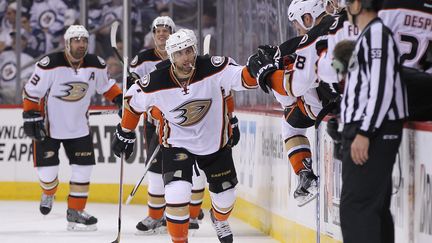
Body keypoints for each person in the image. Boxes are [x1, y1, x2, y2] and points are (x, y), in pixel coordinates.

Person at [112, 28, 256, 243]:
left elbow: (245, 80)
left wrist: (257, 69)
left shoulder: (215, 67)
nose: (185, 57)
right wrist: (125, 132)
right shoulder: (156, 81)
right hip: (177, 144)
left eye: (189, 51)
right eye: (179, 53)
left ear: (195, 50)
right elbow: (131, 104)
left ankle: (219, 219)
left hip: (215, 144)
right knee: (177, 193)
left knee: (225, 199)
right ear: (171, 57)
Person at [22, 25, 123, 231]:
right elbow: (32, 92)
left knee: (84, 170)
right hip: (48, 128)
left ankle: (75, 212)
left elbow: (106, 86)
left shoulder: (96, 64)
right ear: (67, 44)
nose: (81, 44)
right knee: (48, 176)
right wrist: (30, 114)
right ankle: (49, 192)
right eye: (76, 40)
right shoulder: (50, 64)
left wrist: (120, 99)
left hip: (79, 128)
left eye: (84, 40)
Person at [247, 0, 332, 206]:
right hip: (370, 96)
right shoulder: (345, 23)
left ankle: (305, 175)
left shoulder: (310, 41)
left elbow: (295, 87)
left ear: (308, 17)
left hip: (331, 103)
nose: (296, 28)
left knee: (290, 122)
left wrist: (267, 75)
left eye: (297, 23)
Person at [338, 1, 408, 243]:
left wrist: (365, 132)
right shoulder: (369, 35)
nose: (346, 8)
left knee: (357, 209)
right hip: (368, 130)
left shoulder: (377, 34)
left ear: (358, 4)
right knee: (371, 210)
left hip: (372, 132)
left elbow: (381, 88)